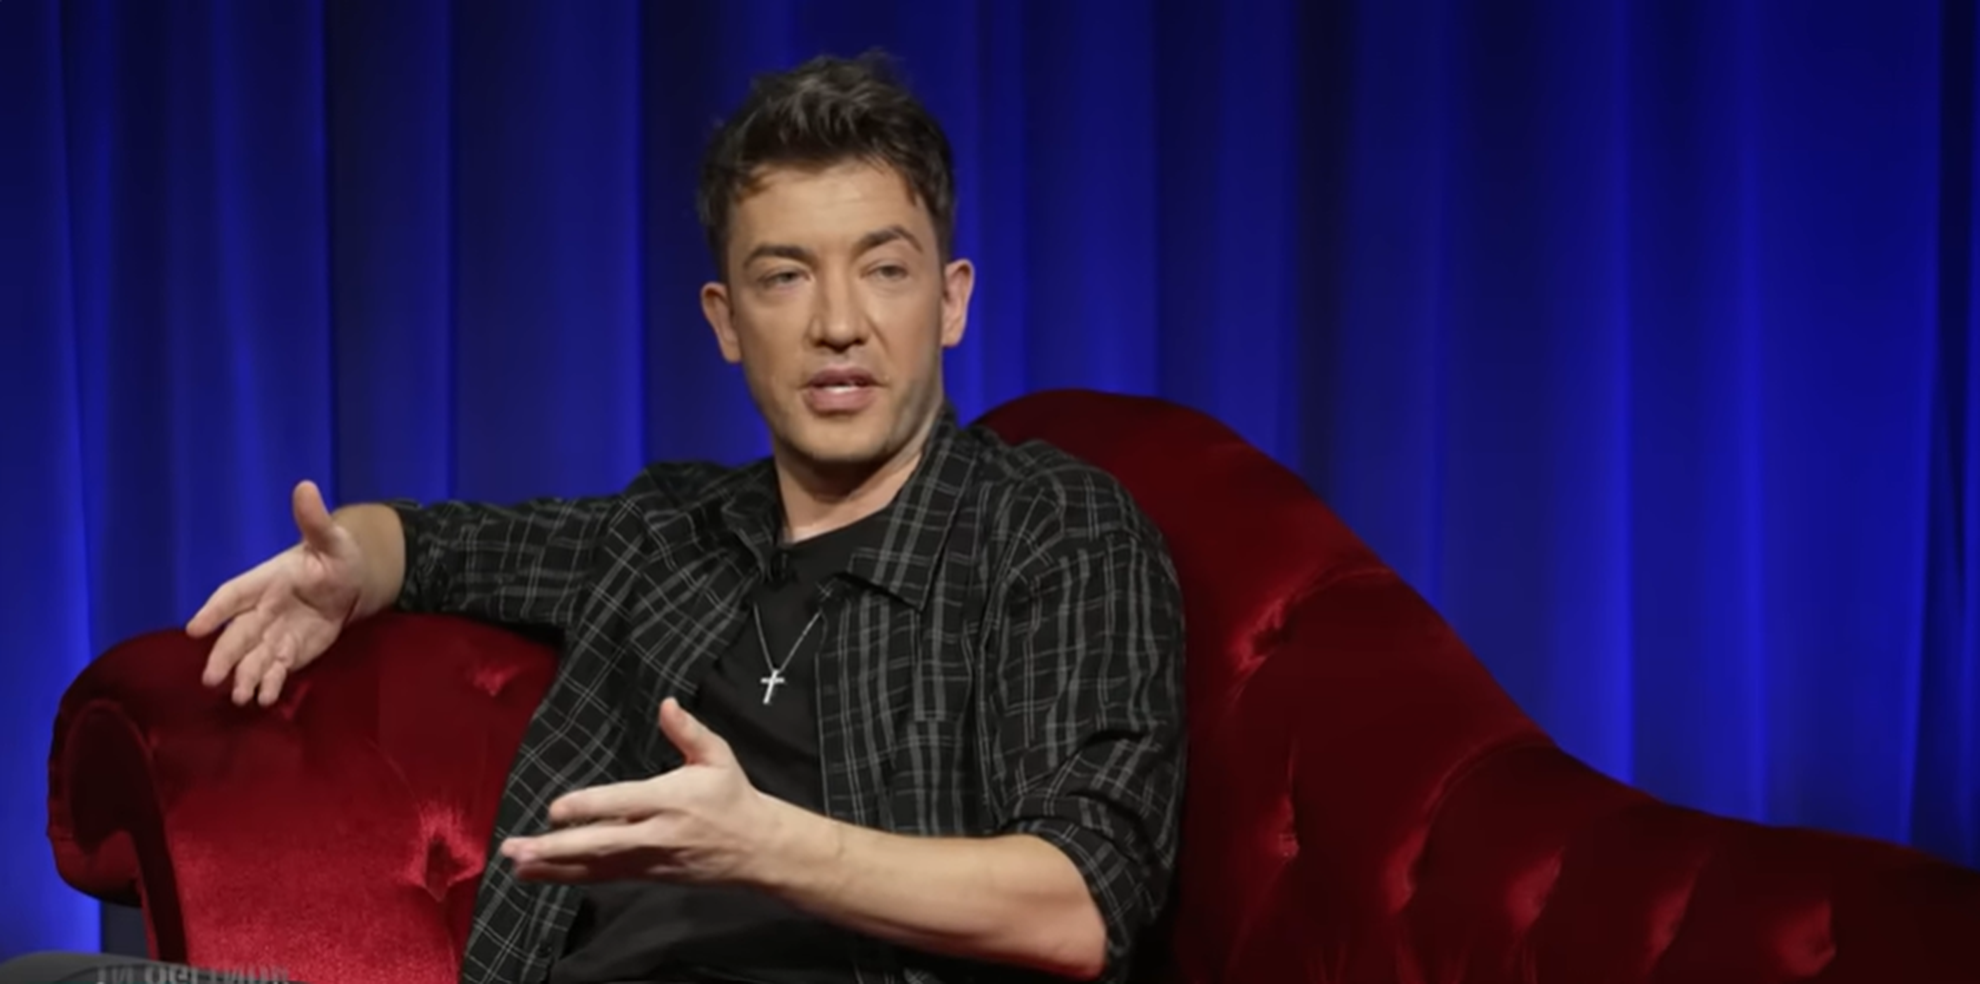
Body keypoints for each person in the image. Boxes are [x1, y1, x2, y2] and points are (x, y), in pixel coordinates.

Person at [4, 51, 1185, 984]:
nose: (838, 323)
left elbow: (1082, 904)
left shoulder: (1054, 528)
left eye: (884, 268)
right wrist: (356, 559)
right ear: (726, 321)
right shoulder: (671, 532)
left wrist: (765, 845)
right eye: (785, 276)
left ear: (952, 301)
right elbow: (447, 544)